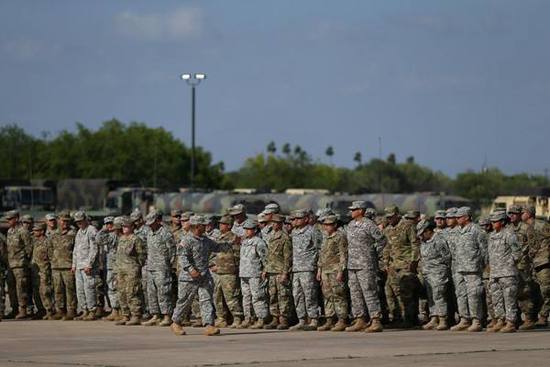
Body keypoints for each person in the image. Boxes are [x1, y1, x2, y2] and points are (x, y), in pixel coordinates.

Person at [170, 215, 237, 336]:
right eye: (203, 225)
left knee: (206, 300)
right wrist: (191, 270)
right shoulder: (187, 240)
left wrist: (233, 242)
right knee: (185, 301)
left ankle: (209, 325)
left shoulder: (205, 240)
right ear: (196, 227)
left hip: (204, 276)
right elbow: (182, 257)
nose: (206, 226)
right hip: (189, 278)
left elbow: (217, 247)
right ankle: (176, 322)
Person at [345, 201, 386, 333]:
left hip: (365, 264)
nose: (351, 212)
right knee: (355, 293)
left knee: (369, 292)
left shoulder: (369, 224)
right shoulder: (350, 225)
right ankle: (360, 319)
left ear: (361, 211)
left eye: (354, 209)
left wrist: (373, 253)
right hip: (352, 264)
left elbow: (382, 240)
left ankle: (375, 320)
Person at [383, 205, 421, 328]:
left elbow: (415, 244)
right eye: (387, 217)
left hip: (406, 264)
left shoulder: (407, 226)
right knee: (390, 292)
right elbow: (387, 247)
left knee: (406, 293)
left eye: (391, 217)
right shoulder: (388, 229)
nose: (389, 220)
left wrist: (414, 262)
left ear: (397, 215)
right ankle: (396, 318)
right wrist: (386, 262)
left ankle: (409, 319)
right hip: (393, 265)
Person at [452, 207, 487, 332]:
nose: (456, 219)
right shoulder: (458, 231)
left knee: (474, 295)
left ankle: (476, 321)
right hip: (459, 268)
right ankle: (464, 319)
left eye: (459, 217)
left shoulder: (476, 230)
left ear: (467, 217)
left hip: (473, 268)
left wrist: (483, 265)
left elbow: (484, 250)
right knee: (461, 294)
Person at [486, 211, 521, 333]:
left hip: (507, 273)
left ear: (502, 222)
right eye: (492, 221)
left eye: (495, 221)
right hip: (495, 272)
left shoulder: (509, 234)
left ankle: (511, 322)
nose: (493, 223)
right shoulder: (491, 236)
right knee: (496, 298)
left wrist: (509, 264)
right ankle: (500, 320)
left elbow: (517, 253)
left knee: (509, 298)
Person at [142, 211, 175, 327]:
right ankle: (155, 315)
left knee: (164, 292)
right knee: (151, 292)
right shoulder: (149, 233)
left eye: (152, 222)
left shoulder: (165, 233)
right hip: (150, 266)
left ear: (157, 221)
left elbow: (172, 251)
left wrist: (168, 264)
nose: (150, 225)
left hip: (162, 267)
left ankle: (167, 316)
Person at [417, 220, 451, 331]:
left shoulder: (439, 240)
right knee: (431, 296)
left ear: (428, 231)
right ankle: (434, 317)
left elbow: (447, 257)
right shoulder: (424, 242)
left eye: (422, 233)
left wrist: (441, 270)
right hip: (427, 273)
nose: (421, 236)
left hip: (438, 273)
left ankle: (442, 319)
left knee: (439, 296)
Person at [316, 214, 349, 332]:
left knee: (338, 294)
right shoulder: (324, 236)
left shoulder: (340, 236)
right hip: (325, 270)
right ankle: (329, 319)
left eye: (329, 225)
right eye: (325, 225)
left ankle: (342, 320)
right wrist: (319, 270)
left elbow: (343, 255)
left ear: (335, 225)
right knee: (327, 295)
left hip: (335, 270)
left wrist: (341, 271)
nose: (327, 227)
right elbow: (322, 253)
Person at [289, 209, 320, 331]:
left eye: (298, 218)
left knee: (310, 294)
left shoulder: (313, 231)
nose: (295, 221)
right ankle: (302, 319)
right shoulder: (294, 233)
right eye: (294, 219)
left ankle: (313, 319)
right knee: (297, 295)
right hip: (296, 268)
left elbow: (320, 249)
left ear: (306, 219)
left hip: (308, 268)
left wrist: (318, 267)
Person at [211, 215, 244, 329]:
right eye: (220, 223)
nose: (220, 225)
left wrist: (233, 268)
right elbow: (216, 255)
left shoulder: (234, 238)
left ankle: (237, 318)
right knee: (217, 296)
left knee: (231, 297)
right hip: (219, 272)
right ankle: (221, 318)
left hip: (229, 272)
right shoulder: (220, 238)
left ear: (229, 226)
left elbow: (237, 256)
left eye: (223, 223)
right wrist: (215, 265)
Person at [262, 213, 293, 330]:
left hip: (280, 271)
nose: (274, 225)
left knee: (283, 296)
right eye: (272, 223)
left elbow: (287, 257)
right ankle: (275, 318)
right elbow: (270, 256)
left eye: (276, 223)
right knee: (273, 295)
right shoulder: (271, 235)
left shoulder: (285, 237)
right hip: (271, 270)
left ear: (280, 224)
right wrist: (265, 269)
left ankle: (283, 319)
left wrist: (285, 273)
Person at [114, 217, 146, 326]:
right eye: (123, 226)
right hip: (120, 270)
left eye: (126, 226)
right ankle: (125, 315)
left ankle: (136, 315)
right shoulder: (121, 238)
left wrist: (137, 266)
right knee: (121, 292)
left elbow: (142, 255)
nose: (124, 228)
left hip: (132, 270)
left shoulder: (136, 239)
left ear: (132, 227)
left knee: (132, 292)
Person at [239, 219, 269, 329]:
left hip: (255, 273)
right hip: (244, 273)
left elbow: (265, 258)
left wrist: (265, 270)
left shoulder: (259, 242)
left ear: (254, 230)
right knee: (246, 297)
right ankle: (248, 318)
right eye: (245, 229)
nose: (246, 231)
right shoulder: (244, 242)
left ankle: (261, 318)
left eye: (249, 229)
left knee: (258, 297)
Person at [523, 205, 550, 327]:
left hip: (543, 262)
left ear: (528, 213)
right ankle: (534, 317)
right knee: (534, 292)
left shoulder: (542, 225)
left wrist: (544, 254)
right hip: (533, 264)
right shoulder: (527, 228)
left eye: (523, 212)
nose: (521, 214)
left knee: (546, 290)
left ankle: (544, 316)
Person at [72, 211, 99, 321]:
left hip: (87, 266)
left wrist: (89, 264)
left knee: (89, 289)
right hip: (79, 265)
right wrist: (74, 264)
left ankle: (92, 310)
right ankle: (84, 310)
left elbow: (94, 249)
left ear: (85, 220)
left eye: (81, 221)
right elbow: (76, 249)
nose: (79, 223)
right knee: (80, 290)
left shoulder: (91, 230)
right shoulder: (79, 232)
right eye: (77, 222)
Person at [49, 212, 77, 320]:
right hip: (56, 266)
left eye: (66, 220)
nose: (64, 223)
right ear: (58, 221)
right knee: (58, 289)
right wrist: (53, 260)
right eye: (62, 220)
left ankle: (71, 310)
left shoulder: (73, 233)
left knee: (70, 289)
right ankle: (60, 310)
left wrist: (74, 264)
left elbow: (76, 250)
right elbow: (50, 248)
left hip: (68, 265)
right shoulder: (54, 234)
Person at [5, 210, 32, 319]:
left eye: (10, 219)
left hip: (20, 265)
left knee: (21, 287)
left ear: (16, 219)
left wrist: (25, 261)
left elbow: (29, 248)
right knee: (11, 288)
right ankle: (14, 309)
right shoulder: (10, 231)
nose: (8, 221)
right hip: (11, 265)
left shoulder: (23, 231)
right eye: (8, 219)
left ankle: (23, 310)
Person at [30, 222, 54, 319]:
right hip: (36, 271)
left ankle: (49, 310)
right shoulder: (35, 242)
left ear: (42, 231)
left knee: (45, 291)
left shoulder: (47, 242)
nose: (34, 232)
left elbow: (51, 256)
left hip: (45, 270)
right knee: (36, 291)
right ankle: (40, 310)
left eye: (36, 230)